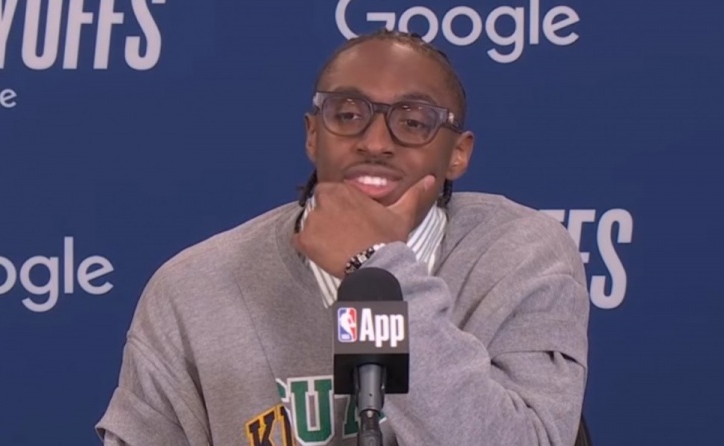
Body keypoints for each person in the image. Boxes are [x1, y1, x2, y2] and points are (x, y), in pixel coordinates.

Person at [96, 28, 590, 446]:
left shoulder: (518, 255)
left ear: (458, 153)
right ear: (313, 135)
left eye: (413, 122)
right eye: (348, 115)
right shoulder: (192, 288)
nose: (375, 142)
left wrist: (376, 263)